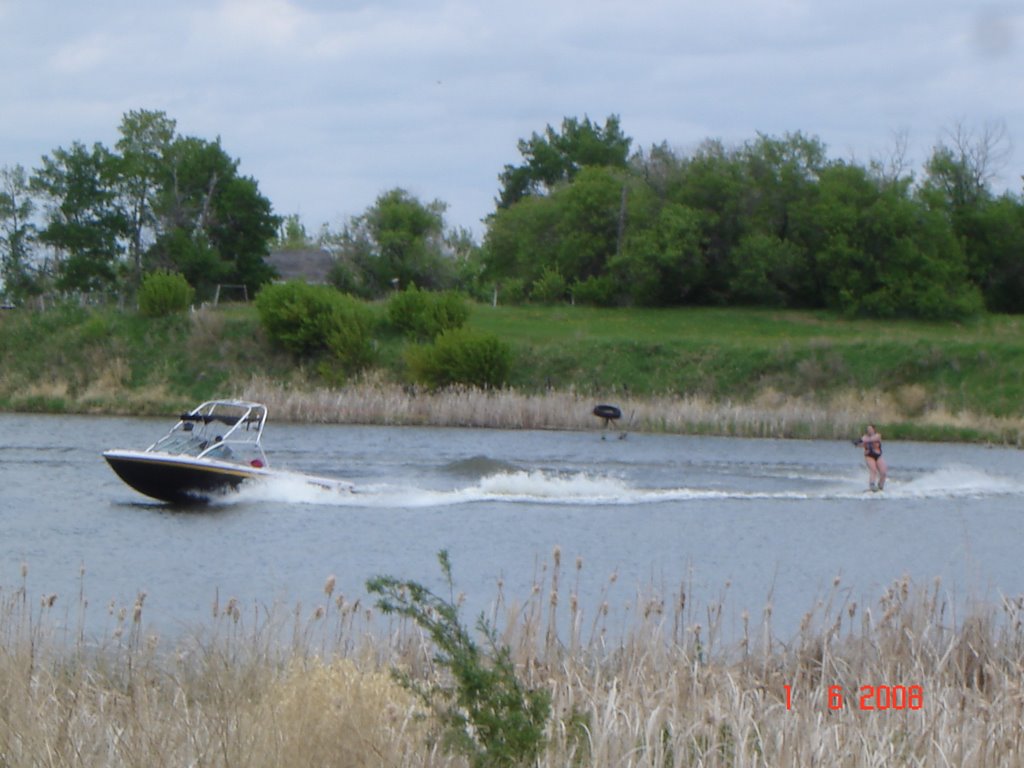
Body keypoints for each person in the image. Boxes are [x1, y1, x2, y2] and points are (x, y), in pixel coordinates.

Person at [853, 424, 887, 491]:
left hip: (878, 456)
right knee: (873, 470)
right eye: (868, 429)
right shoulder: (865, 437)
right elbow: (862, 444)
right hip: (869, 456)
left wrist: (861, 440)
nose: (869, 431)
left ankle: (880, 486)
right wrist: (857, 444)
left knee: (883, 472)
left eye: (870, 429)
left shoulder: (877, 435)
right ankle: (872, 485)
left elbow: (871, 440)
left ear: (874, 430)